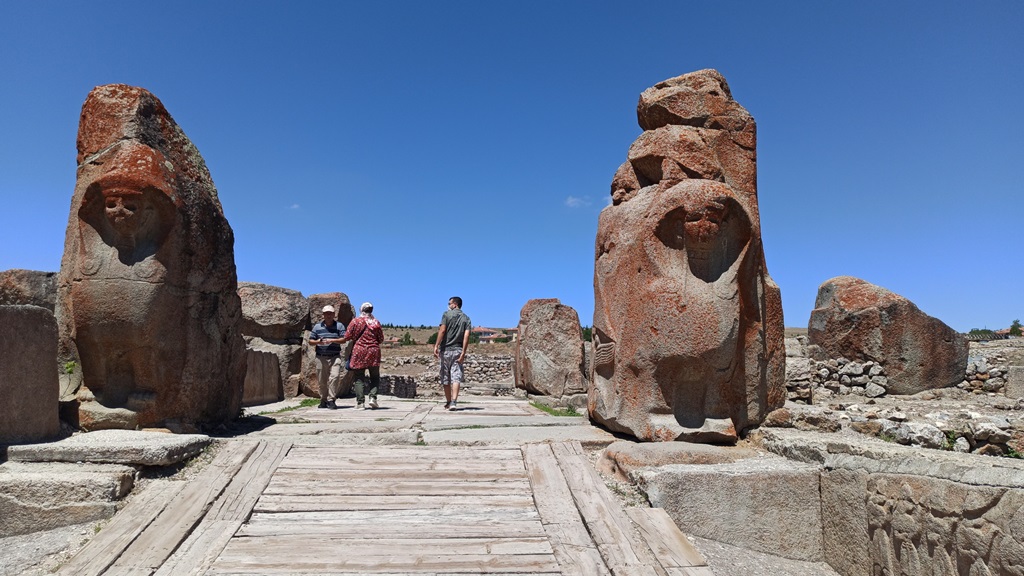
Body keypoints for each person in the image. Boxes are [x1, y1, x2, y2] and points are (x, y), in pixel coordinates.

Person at [342, 302, 384, 409]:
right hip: (373, 351)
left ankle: (360, 402)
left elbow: (347, 336)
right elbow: (381, 339)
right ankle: (373, 398)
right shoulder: (376, 323)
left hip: (359, 351)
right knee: (374, 377)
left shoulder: (356, 321)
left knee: (359, 377)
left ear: (361, 310)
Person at [433, 296, 471, 411]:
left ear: (455, 304)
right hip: (458, 349)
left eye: (449, 303)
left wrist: (436, 345)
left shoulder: (446, 315)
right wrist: (463, 352)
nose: (448, 305)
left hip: (446, 350)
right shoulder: (466, 318)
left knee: (445, 377)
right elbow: (466, 336)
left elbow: (442, 330)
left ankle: (449, 401)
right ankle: (454, 401)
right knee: (456, 376)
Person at [308, 305, 345, 409]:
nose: (328, 315)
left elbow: (344, 339)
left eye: (330, 313)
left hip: (335, 356)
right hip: (321, 357)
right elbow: (311, 341)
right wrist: (318, 342)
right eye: (326, 313)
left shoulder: (339, 326)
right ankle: (323, 399)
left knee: (335, 377)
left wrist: (332, 340)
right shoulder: (317, 327)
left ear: (334, 314)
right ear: (323, 315)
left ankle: (331, 399)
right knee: (322, 380)